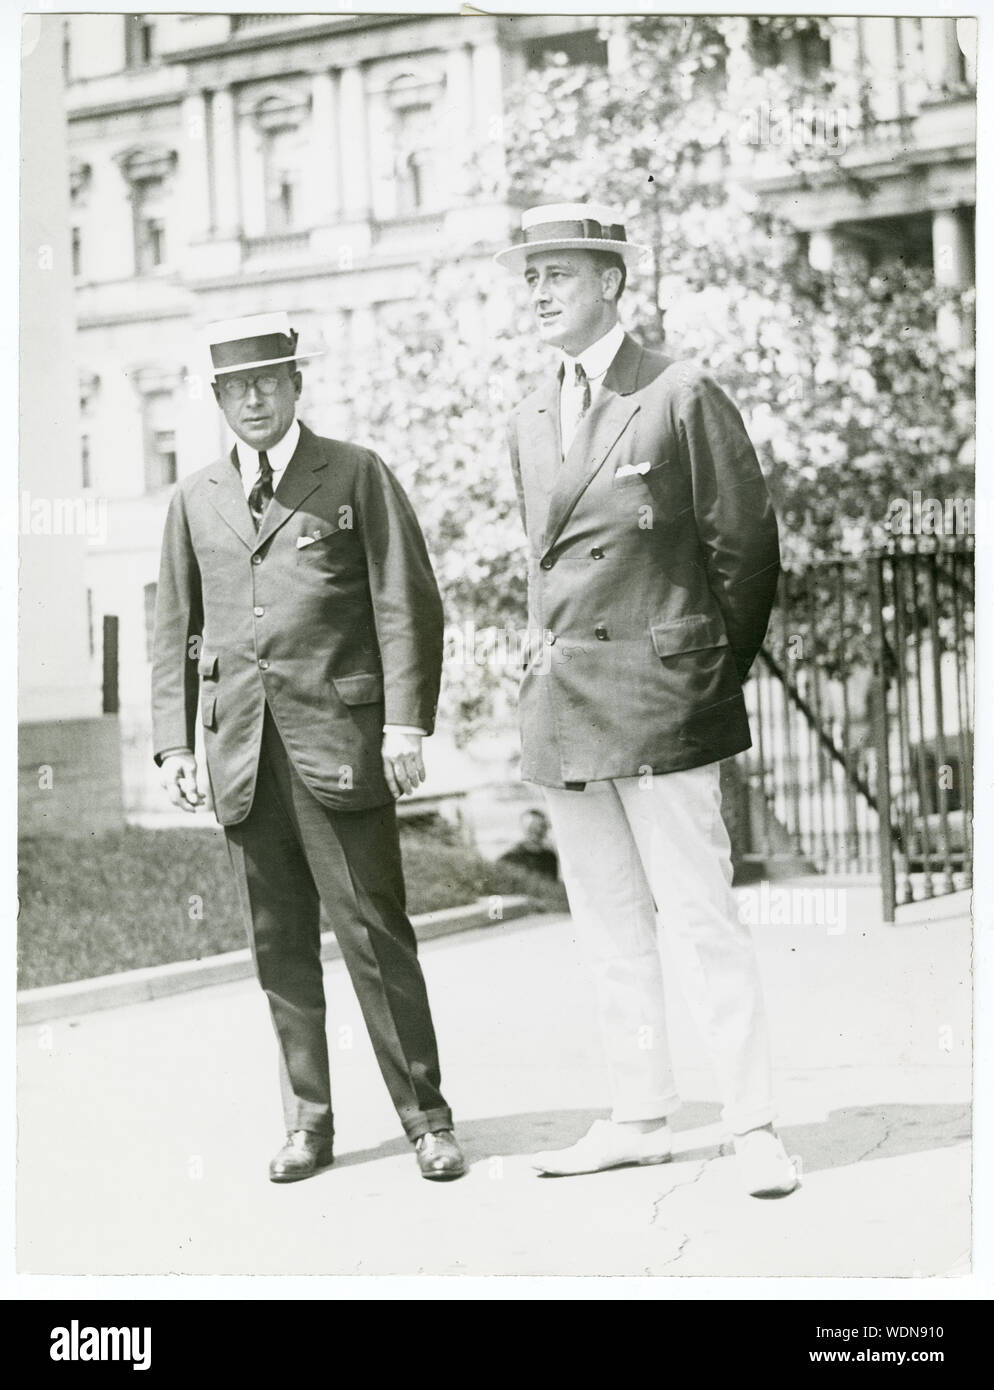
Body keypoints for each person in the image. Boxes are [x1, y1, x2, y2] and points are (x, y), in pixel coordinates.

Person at [494, 202, 797, 1196]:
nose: (538, 293)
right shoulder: (529, 414)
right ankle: (639, 1112)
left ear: (612, 282)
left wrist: (703, 678)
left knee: (701, 916)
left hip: (664, 701)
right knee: (609, 924)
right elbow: (547, 569)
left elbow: (744, 553)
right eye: (529, 277)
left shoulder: (678, 390)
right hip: (568, 707)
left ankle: (751, 1122)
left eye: (560, 275)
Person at [151, 312, 465, 1183]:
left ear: (296, 387)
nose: (253, 398)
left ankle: (427, 1120)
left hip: (341, 745)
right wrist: (175, 747)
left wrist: (406, 723)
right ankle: (309, 1125)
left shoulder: (355, 475)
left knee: (374, 935)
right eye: (235, 387)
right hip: (241, 756)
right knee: (278, 946)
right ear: (218, 400)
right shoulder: (194, 498)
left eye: (268, 381)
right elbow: (173, 628)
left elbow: (408, 603)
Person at [498, 808, 559, 880]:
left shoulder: (550, 857)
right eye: (532, 827)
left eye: (542, 826)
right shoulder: (509, 858)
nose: (538, 831)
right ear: (524, 828)